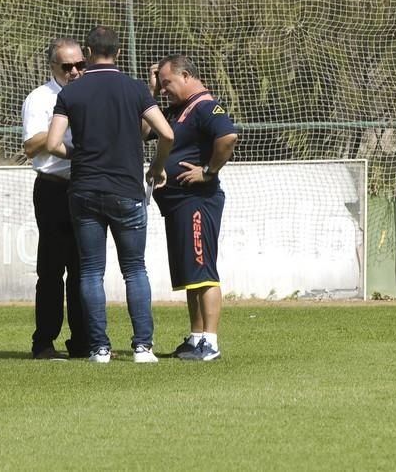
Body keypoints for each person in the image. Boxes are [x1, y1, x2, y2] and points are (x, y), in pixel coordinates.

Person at [46, 26, 174, 364]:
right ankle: (142, 347)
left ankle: (99, 348)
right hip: (126, 191)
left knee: (90, 271)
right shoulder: (134, 89)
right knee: (134, 269)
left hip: (85, 191)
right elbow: (166, 133)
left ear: (87, 52)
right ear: (117, 52)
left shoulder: (71, 92)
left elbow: (51, 142)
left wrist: (78, 154)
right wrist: (158, 167)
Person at [149, 54, 238, 361]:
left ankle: (210, 343)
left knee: (203, 270)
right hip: (177, 205)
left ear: (186, 75)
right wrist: (150, 93)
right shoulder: (177, 110)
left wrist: (208, 171)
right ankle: (196, 338)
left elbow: (228, 136)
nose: (164, 90)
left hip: (197, 201)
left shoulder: (205, 106)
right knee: (191, 274)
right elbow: (140, 129)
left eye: (167, 83)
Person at [21, 37, 88, 360]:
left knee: (83, 269)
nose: (75, 71)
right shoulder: (40, 99)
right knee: (51, 270)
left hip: (85, 186)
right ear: (53, 67)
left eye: (80, 65)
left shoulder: (91, 93)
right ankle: (44, 342)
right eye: (67, 66)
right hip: (53, 187)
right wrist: (62, 133)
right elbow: (31, 145)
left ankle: (82, 341)